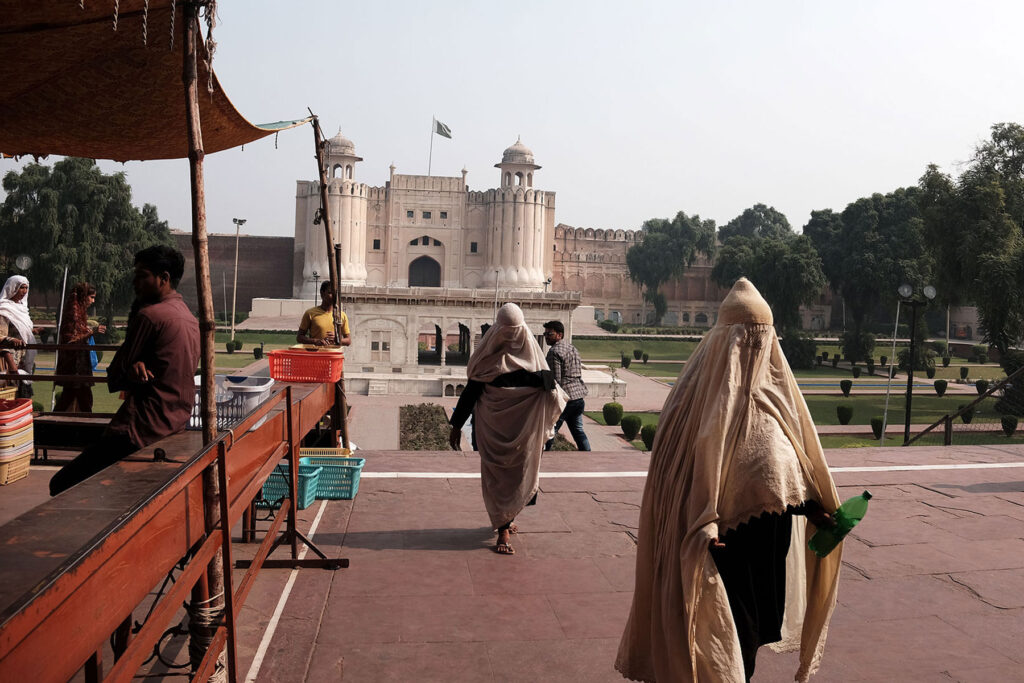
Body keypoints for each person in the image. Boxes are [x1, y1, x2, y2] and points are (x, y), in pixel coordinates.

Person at [615, 278, 842, 683]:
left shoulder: (766, 396)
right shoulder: (692, 401)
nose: (754, 347)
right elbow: (680, 474)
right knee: (724, 633)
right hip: (719, 546)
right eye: (748, 337)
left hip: (760, 543)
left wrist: (813, 508)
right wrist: (702, 520)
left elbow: (790, 469)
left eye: (761, 338)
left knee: (743, 638)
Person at [49, 246, 200, 496]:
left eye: (142, 276)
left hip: (138, 428)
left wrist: (129, 368)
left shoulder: (150, 316)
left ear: (163, 278)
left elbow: (115, 375)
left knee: (60, 484)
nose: (135, 282)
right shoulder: (188, 317)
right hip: (174, 422)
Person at [448, 303, 566, 555]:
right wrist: (457, 425)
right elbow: (472, 391)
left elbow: (550, 389)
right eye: (508, 330)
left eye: (514, 330)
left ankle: (507, 518)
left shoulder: (497, 359)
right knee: (498, 476)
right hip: (493, 429)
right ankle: (502, 527)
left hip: (522, 431)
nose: (512, 336)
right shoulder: (495, 359)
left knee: (518, 473)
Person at [54, 282, 107, 412]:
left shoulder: (79, 311)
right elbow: (72, 337)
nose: (93, 301)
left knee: (74, 395)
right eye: (92, 297)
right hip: (75, 363)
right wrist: (91, 331)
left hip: (79, 361)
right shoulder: (74, 312)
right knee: (81, 397)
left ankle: (50, 423)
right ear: (84, 296)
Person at [542, 320, 590, 451]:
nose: (546, 336)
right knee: (578, 431)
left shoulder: (554, 352)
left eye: (549, 334)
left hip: (565, 399)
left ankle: (544, 458)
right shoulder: (572, 348)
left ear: (559, 335)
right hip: (578, 397)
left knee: (550, 430)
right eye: (545, 334)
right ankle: (589, 456)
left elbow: (555, 381)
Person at [0, 275, 42, 399]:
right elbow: (1, 335)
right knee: (8, 397)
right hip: (7, 361)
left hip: (23, 361)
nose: (24, 291)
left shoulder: (21, 309)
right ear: (12, 288)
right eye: (21, 288)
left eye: (26, 288)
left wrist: (32, 331)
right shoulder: (3, 309)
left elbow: (18, 331)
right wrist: (11, 364)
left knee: (23, 396)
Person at [297, 280, 351, 347]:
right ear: (322, 293)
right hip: (317, 355)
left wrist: (337, 339)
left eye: (335, 293)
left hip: (334, 355)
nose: (333, 296)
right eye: (330, 293)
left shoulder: (341, 315)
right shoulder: (310, 313)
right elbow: (299, 337)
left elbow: (348, 340)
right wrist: (316, 341)